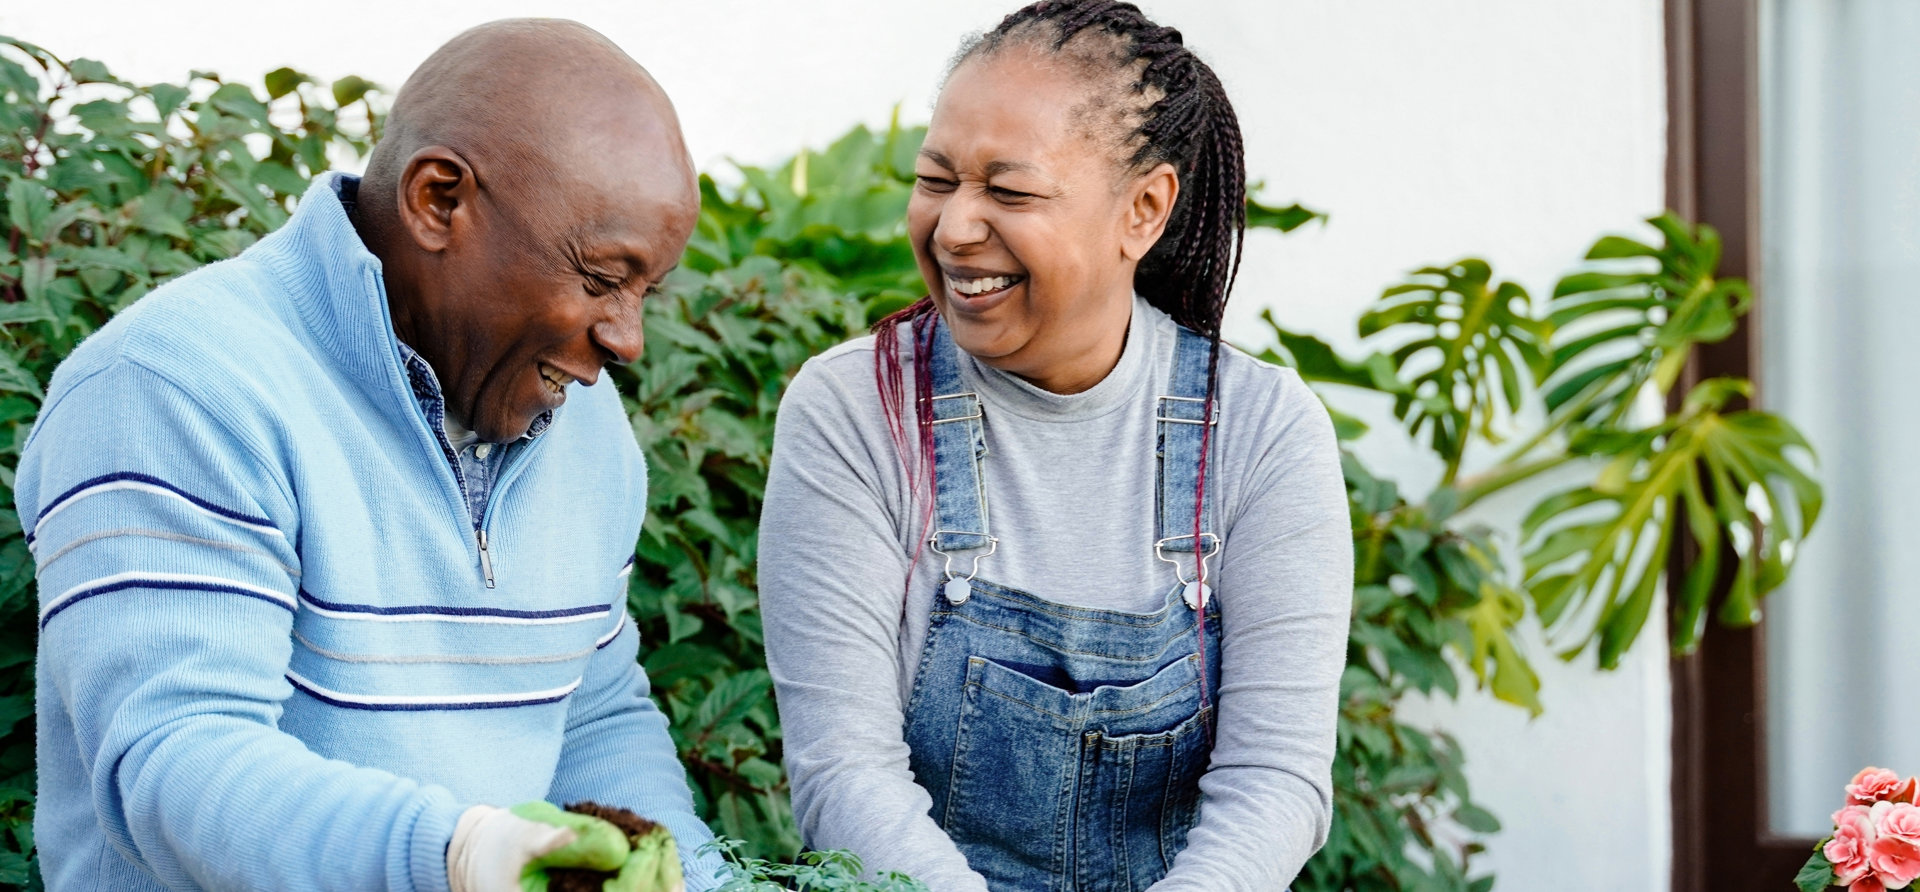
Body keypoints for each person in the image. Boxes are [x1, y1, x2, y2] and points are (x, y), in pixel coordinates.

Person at [19, 19, 724, 892]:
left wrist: (691, 876)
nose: (628, 339)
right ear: (439, 201)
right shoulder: (177, 384)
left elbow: (592, 717)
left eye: (647, 290)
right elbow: (177, 762)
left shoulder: (590, 432)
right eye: (602, 277)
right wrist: (456, 857)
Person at [758, 2, 1353, 890]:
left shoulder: (1263, 433)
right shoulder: (855, 411)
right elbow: (846, 778)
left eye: (1010, 191)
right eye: (936, 179)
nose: (956, 227)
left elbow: (1275, 782)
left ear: (1143, 209)